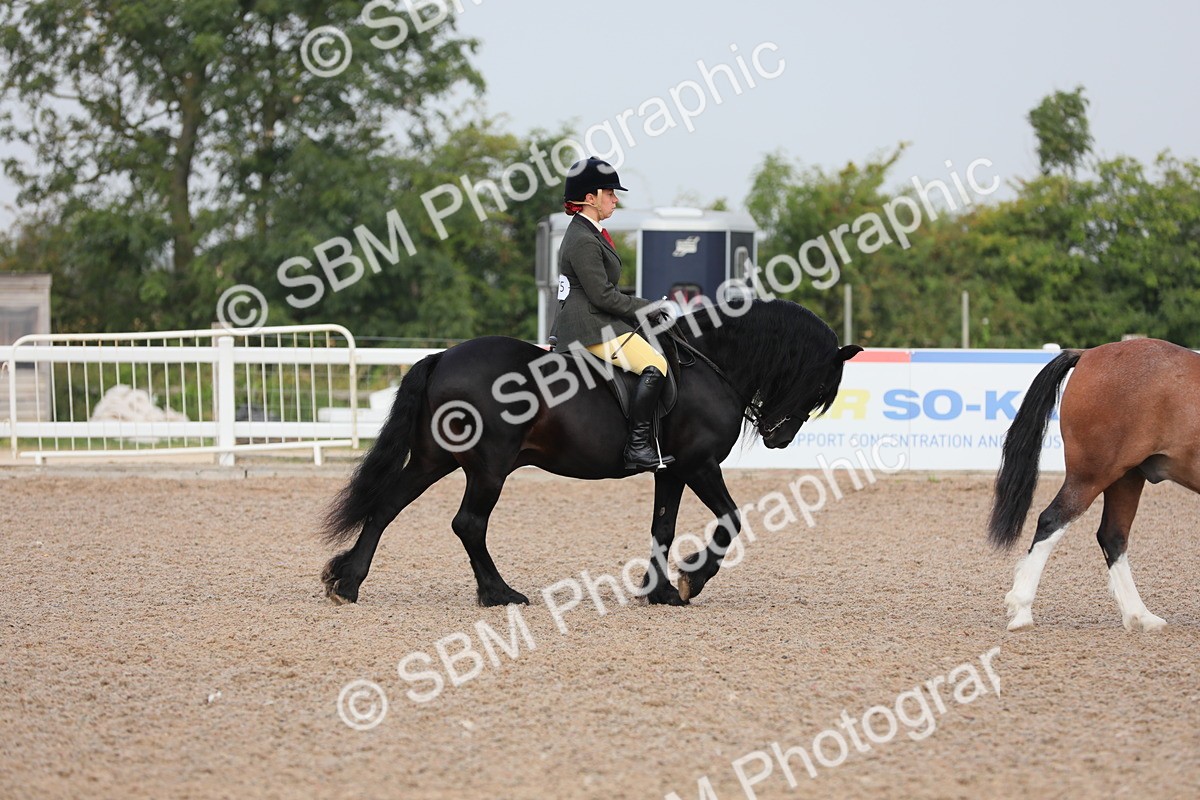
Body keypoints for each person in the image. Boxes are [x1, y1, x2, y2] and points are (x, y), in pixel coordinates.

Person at [552, 156, 674, 472]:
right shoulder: (582, 239)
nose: (615, 199)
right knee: (655, 364)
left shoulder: (588, 232)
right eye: (609, 193)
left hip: (593, 319)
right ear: (590, 198)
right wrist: (646, 307)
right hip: (589, 325)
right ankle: (637, 447)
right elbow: (602, 295)